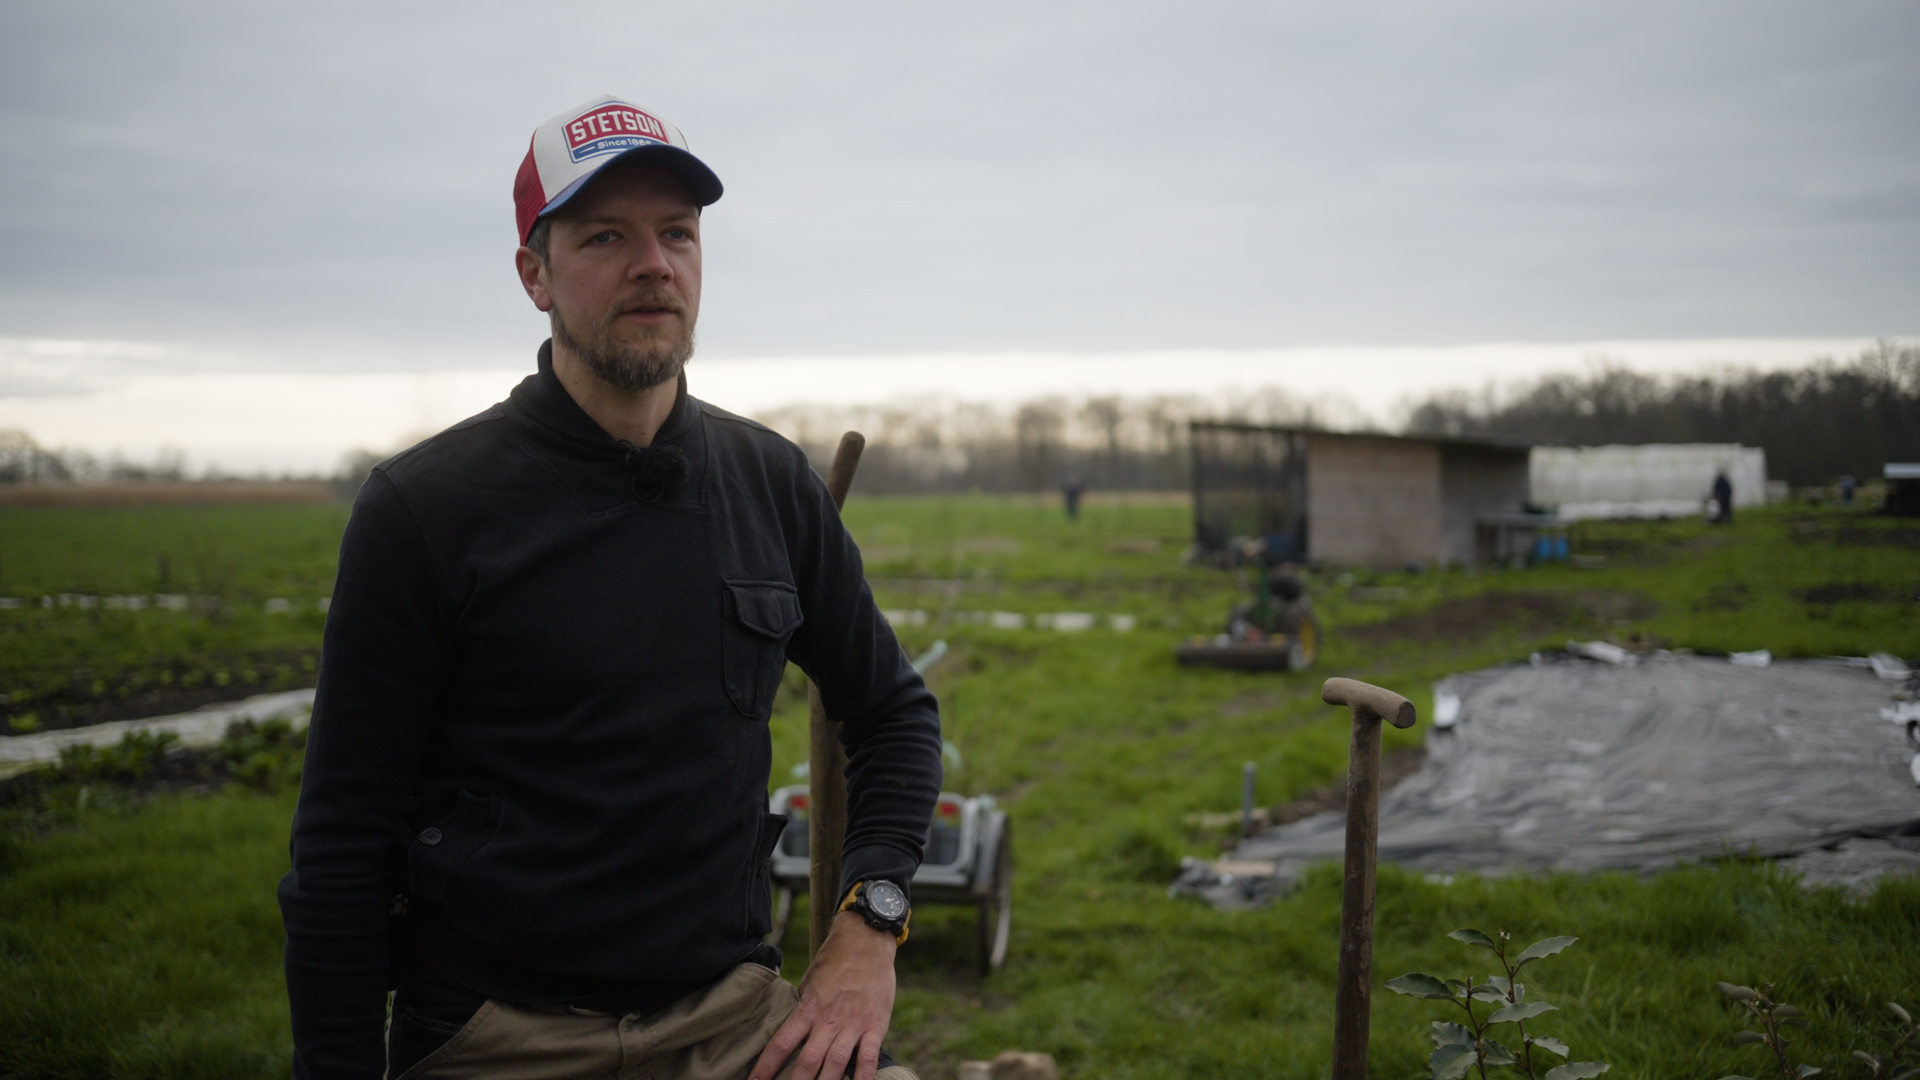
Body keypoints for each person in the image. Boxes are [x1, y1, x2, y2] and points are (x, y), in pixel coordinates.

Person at [278, 95, 942, 1080]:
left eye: (678, 233)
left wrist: (868, 925)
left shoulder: (769, 482)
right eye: (606, 236)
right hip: (502, 1038)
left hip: (733, 1023)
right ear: (533, 276)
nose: (654, 263)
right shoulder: (425, 510)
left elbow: (893, 713)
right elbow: (342, 840)